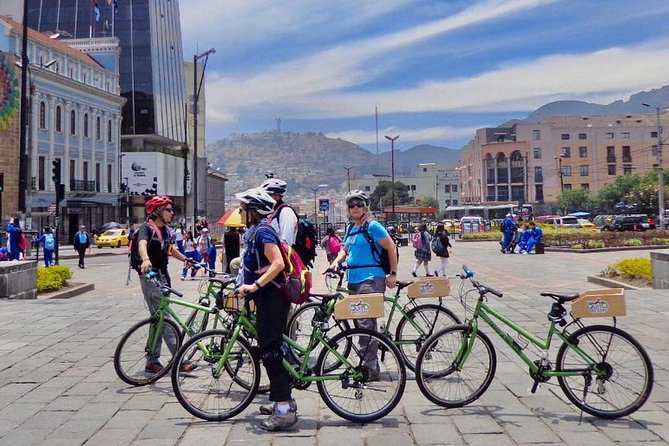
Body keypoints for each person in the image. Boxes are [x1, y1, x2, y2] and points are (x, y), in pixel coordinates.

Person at [235, 188, 298, 431]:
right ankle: (284, 401)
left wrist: (255, 285)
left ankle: (283, 411)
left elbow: (278, 263)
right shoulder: (256, 232)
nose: (240, 212)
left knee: (271, 352)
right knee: (272, 349)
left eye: (243, 209)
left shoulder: (263, 232)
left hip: (272, 298)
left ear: (252, 211)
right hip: (267, 299)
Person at [328, 190, 398, 381]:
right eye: (352, 206)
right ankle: (377, 339)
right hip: (353, 279)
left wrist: (392, 274)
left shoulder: (373, 226)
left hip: (371, 278)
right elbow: (345, 248)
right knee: (361, 323)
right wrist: (336, 262)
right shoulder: (351, 228)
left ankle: (370, 367)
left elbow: (391, 247)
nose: (355, 208)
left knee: (365, 324)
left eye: (359, 204)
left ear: (365, 207)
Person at [137, 195, 193, 374]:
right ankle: (179, 360)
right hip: (150, 276)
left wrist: (186, 259)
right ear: (158, 212)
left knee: (157, 320)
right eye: (168, 209)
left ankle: (152, 360)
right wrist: (145, 259)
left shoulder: (167, 231)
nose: (172, 212)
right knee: (165, 319)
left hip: (163, 275)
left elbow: (170, 249)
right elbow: (142, 244)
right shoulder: (146, 228)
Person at [260, 178, 298, 245]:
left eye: (266, 195)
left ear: (277, 196)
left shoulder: (286, 212)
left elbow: (286, 241)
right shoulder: (273, 212)